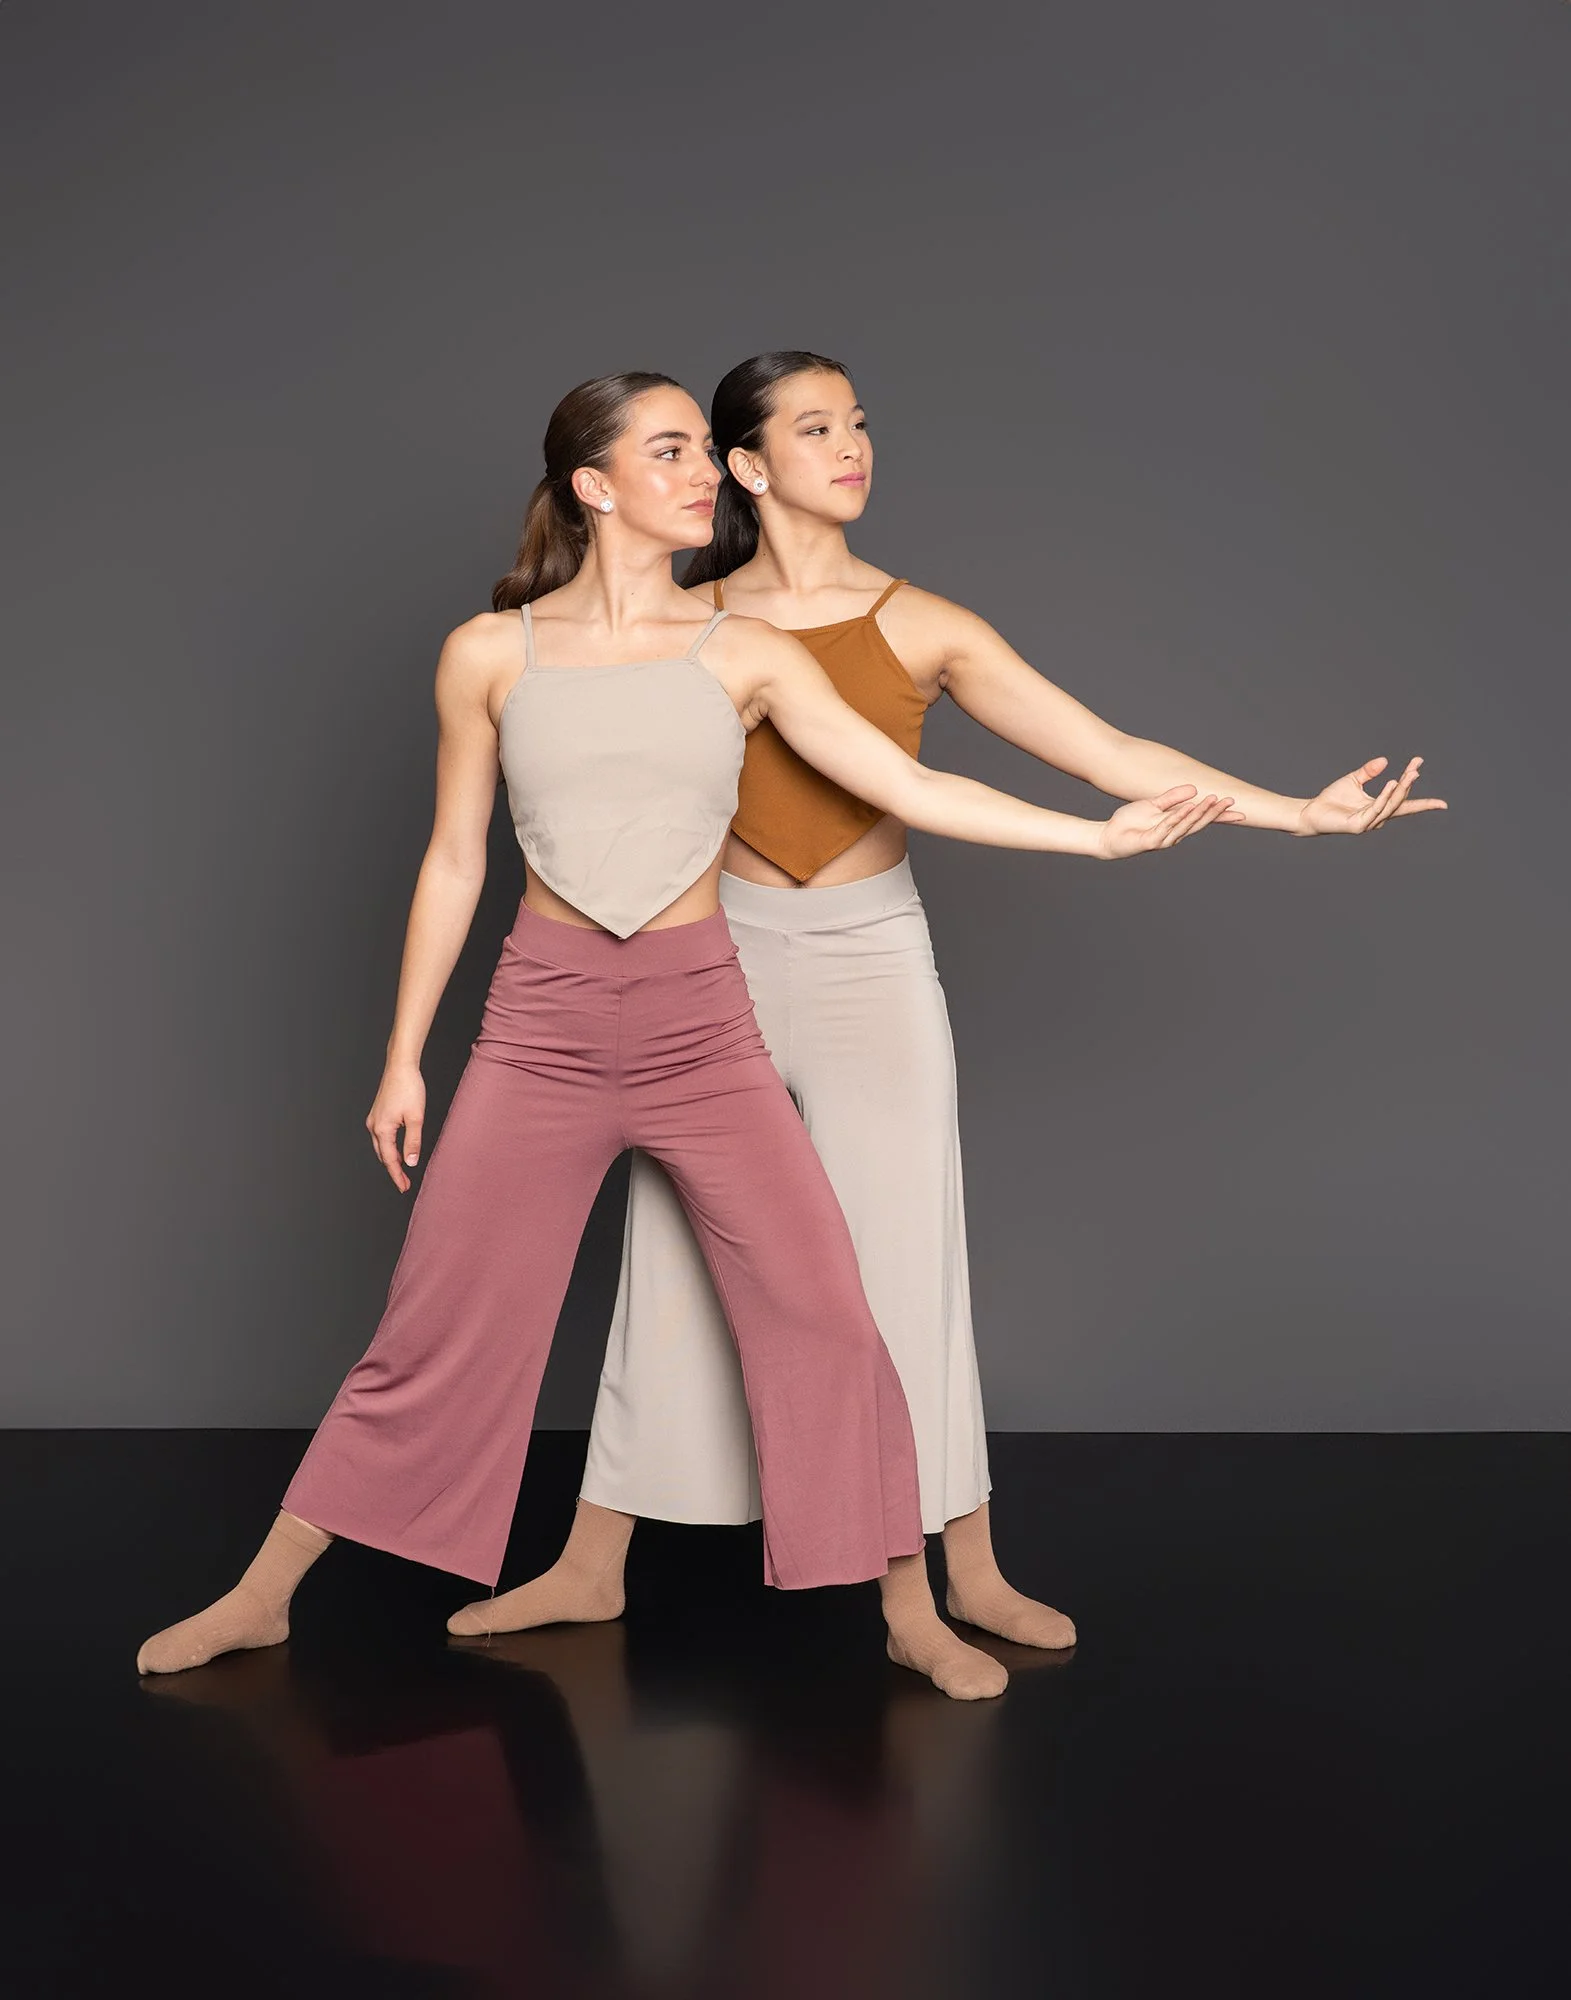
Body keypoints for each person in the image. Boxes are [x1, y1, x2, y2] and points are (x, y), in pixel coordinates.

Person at [137, 371, 1234, 1699]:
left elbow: (907, 782)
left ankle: (908, 1610)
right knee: (435, 1326)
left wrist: (1097, 838)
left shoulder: (745, 652)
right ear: (593, 486)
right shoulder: (489, 653)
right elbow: (452, 861)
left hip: (701, 1029)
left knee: (826, 1318)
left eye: (705, 453)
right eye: (669, 452)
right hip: (537, 1029)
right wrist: (402, 1058)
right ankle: (261, 1599)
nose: (703, 473)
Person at [483, 351, 1445, 1654]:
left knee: (905, 1258)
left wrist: (1297, 816)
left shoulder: (925, 624)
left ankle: (964, 1569)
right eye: (814, 429)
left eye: (859, 424)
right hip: (708, 958)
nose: (852, 447)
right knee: (672, 1255)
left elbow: (1109, 752)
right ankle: (595, 1560)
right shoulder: (683, 619)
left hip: (867, 958)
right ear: (746, 465)